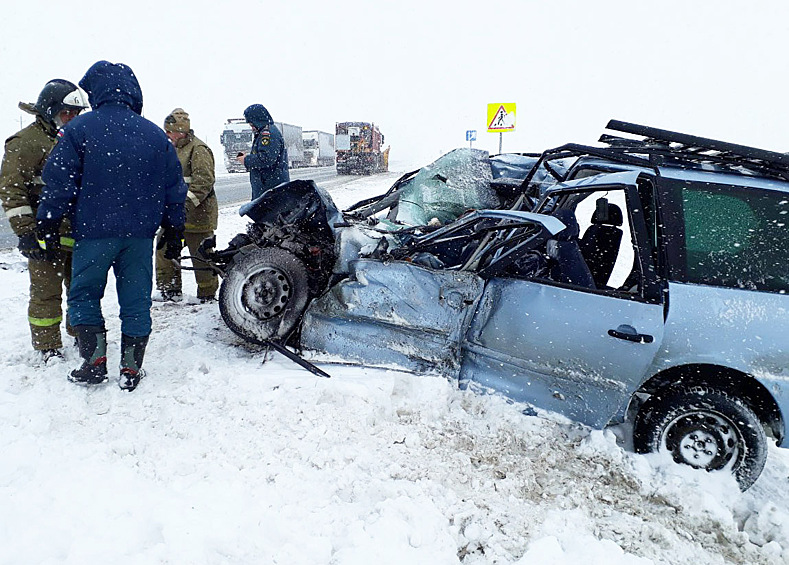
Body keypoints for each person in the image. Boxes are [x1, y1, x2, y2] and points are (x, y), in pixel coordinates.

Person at [36, 60, 187, 391]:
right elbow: (174, 187)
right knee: (135, 300)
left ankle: (94, 363)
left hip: (93, 234)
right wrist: (174, 230)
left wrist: (48, 220)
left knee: (85, 295)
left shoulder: (79, 130)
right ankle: (131, 369)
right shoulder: (153, 135)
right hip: (138, 237)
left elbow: (59, 182)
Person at [0, 79, 88, 362]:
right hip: (43, 236)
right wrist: (26, 232)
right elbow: (12, 190)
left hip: (78, 234)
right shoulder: (25, 143)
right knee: (45, 294)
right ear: (50, 110)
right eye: (67, 113)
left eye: (76, 114)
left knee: (81, 291)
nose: (72, 119)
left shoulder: (76, 138)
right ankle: (47, 346)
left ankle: (80, 335)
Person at [156, 108, 218, 302]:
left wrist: (184, 207)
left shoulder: (199, 150)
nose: (166, 135)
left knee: (201, 256)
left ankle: (207, 295)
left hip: (198, 217)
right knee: (164, 249)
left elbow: (203, 183)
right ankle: (169, 290)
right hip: (175, 216)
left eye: (169, 131)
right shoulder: (170, 149)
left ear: (180, 131)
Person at [236, 104, 289, 200]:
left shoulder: (268, 134)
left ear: (258, 120)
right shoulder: (266, 132)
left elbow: (266, 158)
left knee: (271, 214)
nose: (251, 127)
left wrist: (246, 160)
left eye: (252, 124)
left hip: (270, 189)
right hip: (268, 188)